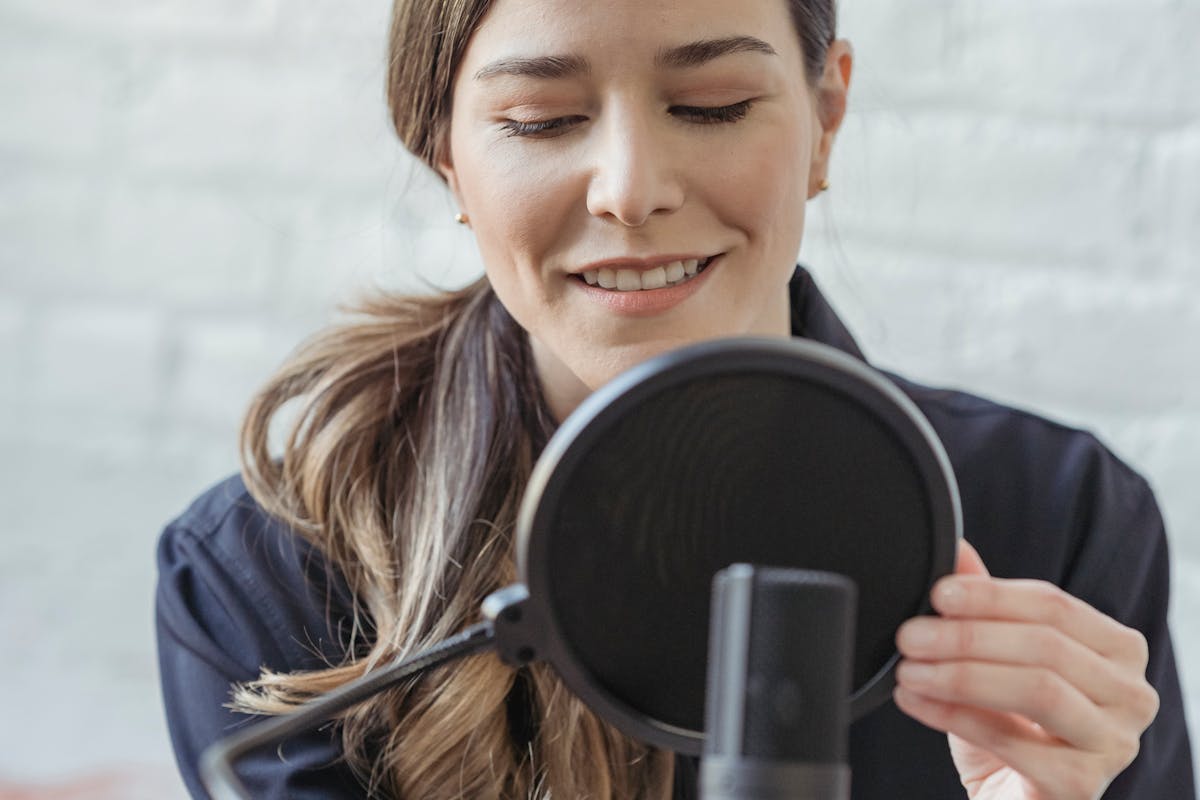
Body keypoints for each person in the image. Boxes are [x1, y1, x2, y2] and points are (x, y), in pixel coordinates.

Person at [154, 0, 1196, 797]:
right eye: (541, 119)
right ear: (450, 163)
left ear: (827, 119)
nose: (630, 188)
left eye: (712, 107)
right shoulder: (266, 570)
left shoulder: (1060, 517)